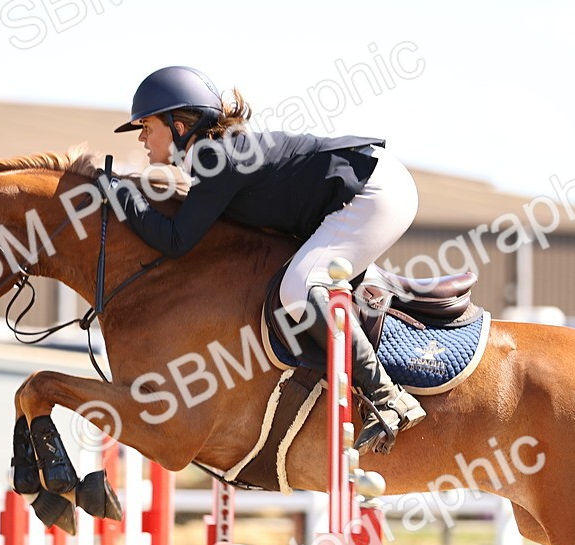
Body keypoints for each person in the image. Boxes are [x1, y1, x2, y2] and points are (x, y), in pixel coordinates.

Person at [108, 66, 423, 455]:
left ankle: (388, 396)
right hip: (366, 187)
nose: (141, 138)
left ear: (178, 125)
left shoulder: (214, 157)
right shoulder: (210, 157)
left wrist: (118, 194)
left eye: (146, 126)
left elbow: (175, 241)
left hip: (374, 192)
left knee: (298, 288)